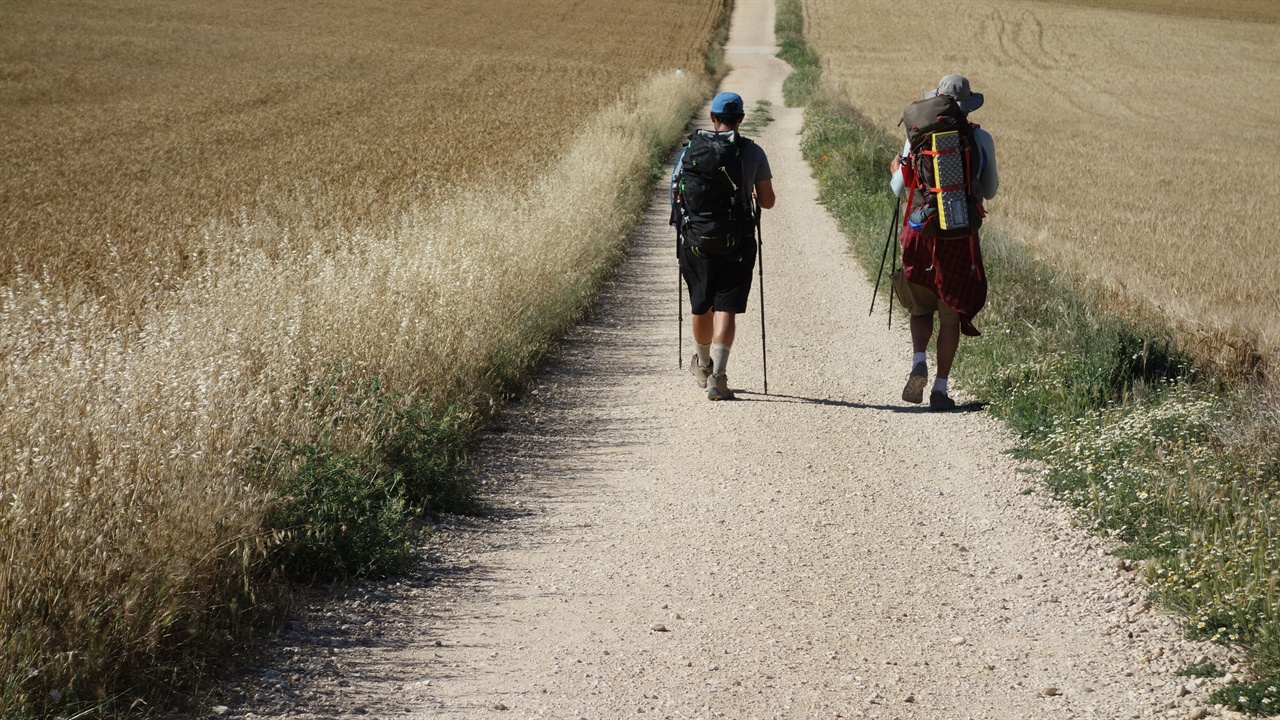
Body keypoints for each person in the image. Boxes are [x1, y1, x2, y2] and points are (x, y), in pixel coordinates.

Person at [889, 74, 998, 411]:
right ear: (965, 105)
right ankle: (940, 389)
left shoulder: (917, 135)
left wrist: (896, 168)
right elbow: (990, 189)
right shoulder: (980, 137)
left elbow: (898, 189)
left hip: (921, 234)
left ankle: (918, 359)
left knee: (921, 307)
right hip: (959, 235)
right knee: (950, 316)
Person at [672, 91, 775, 400]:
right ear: (741, 119)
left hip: (695, 239)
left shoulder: (691, 148)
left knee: (702, 304)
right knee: (726, 307)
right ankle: (719, 376)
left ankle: (702, 365)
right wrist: (752, 195)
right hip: (738, 240)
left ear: (713, 118)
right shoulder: (752, 152)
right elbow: (768, 202)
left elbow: (676, 194)